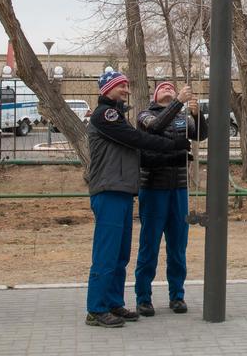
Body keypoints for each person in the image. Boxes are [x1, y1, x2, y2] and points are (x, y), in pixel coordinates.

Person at [84, 69, 190, 328]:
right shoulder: (106, 115)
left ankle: (113, 303)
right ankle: (96, 309)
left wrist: (172, 158)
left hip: (122, 191)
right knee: (106, 253)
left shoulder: (117, 117)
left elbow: (136, 153)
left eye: (127, 86)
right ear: (106, 89)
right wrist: (172, 146)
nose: (126, 90)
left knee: (120, 255)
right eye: (121, 86)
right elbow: (138, 138)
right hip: (108, 191)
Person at [134, 81, 207, 317]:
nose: (168, 89)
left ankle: (177, 295)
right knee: (149, 245)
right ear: (155, 95)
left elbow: (201, 135)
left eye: (171, 88)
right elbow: (155, 127)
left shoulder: (182, 117)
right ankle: (143, 298)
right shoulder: (145, 114)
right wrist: (178, 103)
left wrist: (198, 114)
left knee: (178, 246)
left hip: (179, 189)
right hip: (153, 188)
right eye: (163, 88)